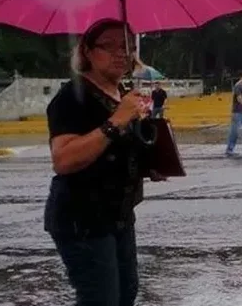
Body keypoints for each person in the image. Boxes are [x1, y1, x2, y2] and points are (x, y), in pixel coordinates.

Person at [44, 18, 167, 306]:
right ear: (86, 51)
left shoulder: (122, 95)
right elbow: (63, 160)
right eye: (108, 46)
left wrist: (151, 163)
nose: (121, 53)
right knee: (101, 300)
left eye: (127, 46)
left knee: (126, 295)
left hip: (119, 217)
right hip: (82, 219)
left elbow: (117, 151)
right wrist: (115, 122)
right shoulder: (72, 97)